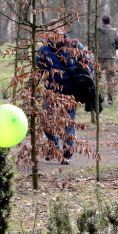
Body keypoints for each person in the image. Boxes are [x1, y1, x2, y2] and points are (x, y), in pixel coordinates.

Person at [36, 21, 94, 163]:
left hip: (71, 92)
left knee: (68, 123)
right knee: (46, 121)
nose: (52, 35)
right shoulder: (43, 50)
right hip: (50, 92)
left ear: (62, 30)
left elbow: (88, 64)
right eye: (50, 32)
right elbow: (37, 72)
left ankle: (67, 152)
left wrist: (84, 79)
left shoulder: (75, 46)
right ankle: (54, 146)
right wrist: (30, 87)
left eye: (55, 31)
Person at [97, 14, 118, 102]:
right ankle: (110, 99)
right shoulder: (114, 32)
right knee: (110, 78)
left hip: (99, 57)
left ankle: (98, 97)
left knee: (97, 78)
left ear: (102, 22)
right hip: (110, 58)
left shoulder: (98, 32)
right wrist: (112, 48)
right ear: (110, 22)